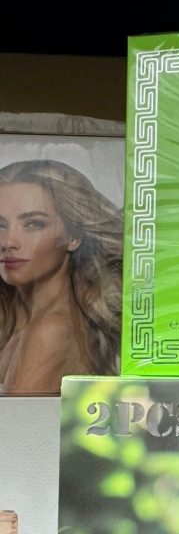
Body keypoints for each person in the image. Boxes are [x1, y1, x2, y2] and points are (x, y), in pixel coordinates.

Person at [0, 159, 122, 395]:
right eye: (0, 224)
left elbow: (16, 419)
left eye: (33, 224)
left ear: (74, 236)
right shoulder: (20, 317)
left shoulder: (51, 331)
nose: (8, 242)